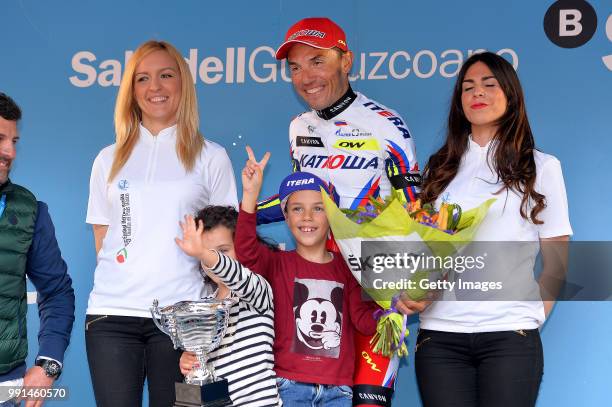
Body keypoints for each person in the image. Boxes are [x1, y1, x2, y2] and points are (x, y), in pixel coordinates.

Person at [256, 17, 421, 405]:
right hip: (323, 289)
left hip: (377, 290)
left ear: (346, 61)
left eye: (317, 61)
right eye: (295, 67)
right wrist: (236, 217)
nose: (305, 77)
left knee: (367, 401)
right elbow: (299, 204)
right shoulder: (299, 128)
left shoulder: (387, 124)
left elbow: (416, 208)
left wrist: (420, 278)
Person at [407, 52, 572, 407]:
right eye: (467, 87)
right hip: (440, 339)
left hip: (509, 338)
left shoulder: (540, 167)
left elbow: (557, 263)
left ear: (510, 95)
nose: (476, 93)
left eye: (488, 84)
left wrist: (530, 318)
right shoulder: (439, 169)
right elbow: (424, 253)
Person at [84, 40, 238, 407]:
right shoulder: (107, 159)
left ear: (183, 84)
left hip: (183, 323)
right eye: (143, 78)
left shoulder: (211, 157)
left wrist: (214, 313)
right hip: (112, 317)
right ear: (131, 91)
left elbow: (229, 247)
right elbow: (103, 236)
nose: (155, 87)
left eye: (166, 75)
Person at [238, 146, 377, 406]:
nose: (308, 217)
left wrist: (394, 304)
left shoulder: (349, 268)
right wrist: (249, 196)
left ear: (332, 216)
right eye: (297, 209)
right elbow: (245, 254)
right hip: (287, 386)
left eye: (318, 208)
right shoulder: (276, 263)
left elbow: (364, 322)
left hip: (338, 390)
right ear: (286, 217)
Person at [0, 92, 75, 407]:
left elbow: (57, 293)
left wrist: (48, 365)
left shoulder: (29, 210)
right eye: (0, 139)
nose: (10, 151)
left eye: (14, 141)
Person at [175, 205, 281, 406]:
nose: (216, 258)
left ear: (242, 246)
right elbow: (200, 382)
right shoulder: (201, 311)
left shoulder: (257, 291)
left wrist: (204, 253)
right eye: (208, 253)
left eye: (224, 251)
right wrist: (189, 361)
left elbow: (235, 274)